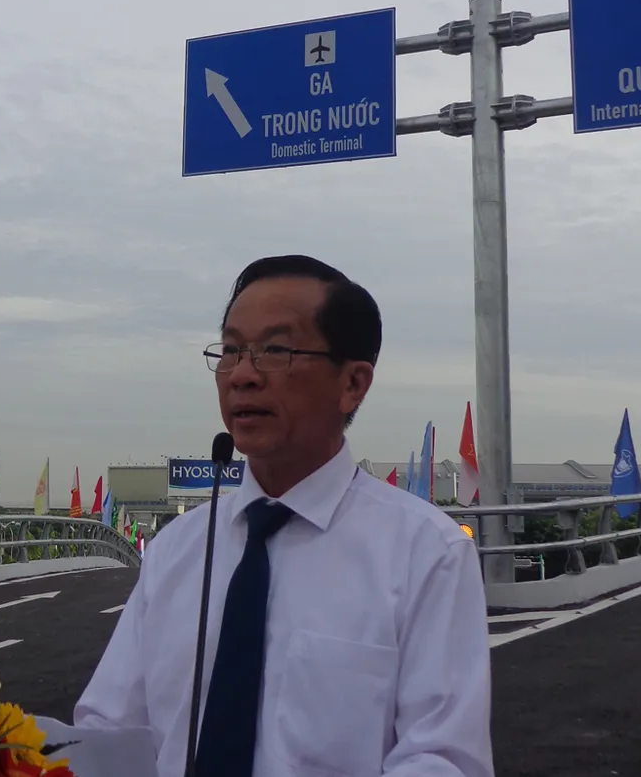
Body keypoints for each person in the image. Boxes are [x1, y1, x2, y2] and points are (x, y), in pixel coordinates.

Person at [75, 255, 493, 777]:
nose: (242, 375)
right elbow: (108, 730)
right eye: (231, 351)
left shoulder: (427, 554)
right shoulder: (176, 551)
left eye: (275, 351)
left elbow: (442, 760)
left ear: (353, 383)